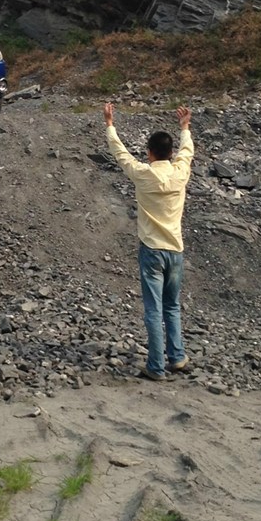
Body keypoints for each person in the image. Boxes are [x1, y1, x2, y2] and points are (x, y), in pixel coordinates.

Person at [103, 102, 194, 381]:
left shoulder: (144, 174)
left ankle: (155, 366)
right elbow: (188, 153)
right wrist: (185, 128)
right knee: (172, 306)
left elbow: (121, 155)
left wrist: (110, 124)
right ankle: (177, 357)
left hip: (151, 250)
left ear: (150, 153)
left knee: (154, 310)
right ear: (171, 153)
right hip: (175, 250)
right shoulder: (180, 172)